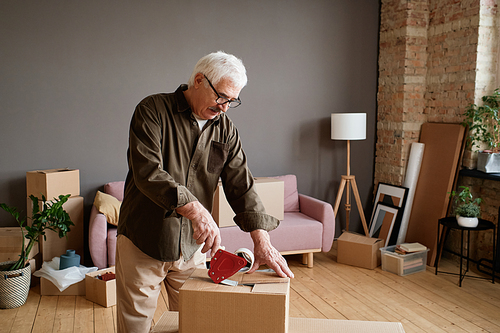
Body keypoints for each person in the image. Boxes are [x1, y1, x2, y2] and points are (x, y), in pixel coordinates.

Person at [115, 51, 294, 332]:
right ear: (199, 80)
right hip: (143, 240)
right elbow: (147, 172)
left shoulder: (226, 130)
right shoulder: (152, 110)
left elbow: (242, 186)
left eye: (232, 101)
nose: (225, 107)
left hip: (192, 248)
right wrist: (196, 209)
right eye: (221, 97)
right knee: (135, 329)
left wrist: (262, 240)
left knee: (196, 323)